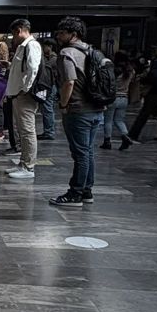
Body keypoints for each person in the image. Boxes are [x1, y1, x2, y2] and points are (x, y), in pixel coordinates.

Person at [49, 16, 104, 207]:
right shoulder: (91, 50)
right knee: (87, 152)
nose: (58, 35)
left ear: (73, 34)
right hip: (96, 108)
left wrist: (63, 105)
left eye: (62, 32)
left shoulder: (66, 53)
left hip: (78, 109)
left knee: (80, 153)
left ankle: (76, 193)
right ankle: (87, 190)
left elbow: (69, 82)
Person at [5, 19, 42, 179]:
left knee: (27, 131)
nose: (13, 38)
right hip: (18, 95)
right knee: (22, 130)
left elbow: (33, 68)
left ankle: (28, 167)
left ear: (19, 30)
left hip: (24, 96)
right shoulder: (24, 46)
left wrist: (24, 89)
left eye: (13, 34)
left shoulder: (31, 45)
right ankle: (23, 163)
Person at [128, 43, 157, 143]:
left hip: (154, 91)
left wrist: (144, 79)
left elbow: (153, 76)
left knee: (144, 114)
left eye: (156, 49)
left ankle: (133, 134)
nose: (155, 51)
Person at [101, 51, 135, 151]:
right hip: (124, 98)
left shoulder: (113, 70)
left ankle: (107, 141)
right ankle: (125, 135)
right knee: (119, 120)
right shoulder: (130, 70)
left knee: (108, 121)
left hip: (112, 98)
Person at [38, 38, 59, 141]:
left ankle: (49, 131)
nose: (43, 48)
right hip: (49, 85)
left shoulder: (53, 59)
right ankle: (48, 130)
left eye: (44, 46)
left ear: (50, 47)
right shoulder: (50, 58)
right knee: (46, 108)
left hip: (50, 86)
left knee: (47, 109)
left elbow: (45, 68)